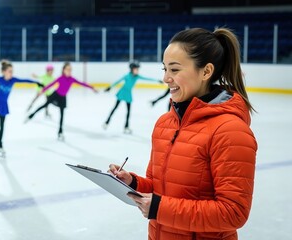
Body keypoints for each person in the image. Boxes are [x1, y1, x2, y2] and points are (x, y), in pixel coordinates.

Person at [108, 28, 257, 240]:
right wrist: (132, 181)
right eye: (164, 69)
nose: (166, 79)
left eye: (175, 70)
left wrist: (159, 208)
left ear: (206, 72)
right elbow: (158, 186)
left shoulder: (230, 131)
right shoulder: (165, 124)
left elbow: (233, 213)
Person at [25, 62, 98, 141]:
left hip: (63, 98)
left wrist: (92, 87)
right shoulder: (60, 78)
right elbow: (51, 84)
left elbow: (82, 83)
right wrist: (42, 90)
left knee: (62, 114)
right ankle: (31, 115)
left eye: (70, 70)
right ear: (63, 70)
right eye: (68, 69)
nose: (69, 71)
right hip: (55, 95)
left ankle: (60, 132)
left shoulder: (72, 79)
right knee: (45, 105)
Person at [103, 61, 160, 134]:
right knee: (115, 108)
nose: (137, 70)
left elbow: (147, 78)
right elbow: (118, 81)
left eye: (138, 69)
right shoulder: (127, 76)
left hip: (128, 94)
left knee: (128, 111)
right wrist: (110, 87)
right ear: (132, 69)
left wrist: (157, 80)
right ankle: (107, 122)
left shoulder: (137, 76)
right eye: (136, 69)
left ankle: (126, 126)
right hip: (122, 93)